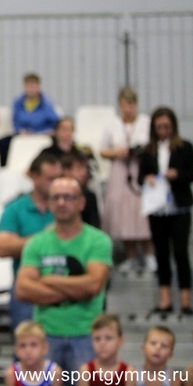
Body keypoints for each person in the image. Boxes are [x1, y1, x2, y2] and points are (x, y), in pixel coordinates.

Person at [15, 177, 112, 376]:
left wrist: (49, 280)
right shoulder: (36, 243)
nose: (61, 203)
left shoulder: (98, 241)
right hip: (45, 335)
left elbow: (93, 286)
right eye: (56, 197)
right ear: (49, 203)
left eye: (68, 197)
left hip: (86, 333)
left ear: (81, 203)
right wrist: (77, 289)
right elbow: (23, 289)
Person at [0, 153, 63, 332]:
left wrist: (25, 243)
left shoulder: (65, 207)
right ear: (34, 176)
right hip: (27, 283)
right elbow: (3, 247)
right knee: (25, 339)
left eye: (58, 178)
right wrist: (45, 238)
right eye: (50, 179)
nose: (55, 184)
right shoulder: (15, 208)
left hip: (61, 280)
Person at [138, 106, 193, 316]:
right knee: (161, 253)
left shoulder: (185, 147)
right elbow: (140, 176)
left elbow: (191, 172)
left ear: (173, 126)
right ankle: (164, 300)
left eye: (166, 127)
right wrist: (147, 178)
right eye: (159, 127)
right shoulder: (148, 150)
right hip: (157, 207)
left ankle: (185, 300)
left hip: (179, 206)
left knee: (180, 252)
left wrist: (177, 174)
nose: (163, 131)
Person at [99, 87, 153, 274]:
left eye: (131, 105)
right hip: (120, 170)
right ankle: (130, 255)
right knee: (122, 213)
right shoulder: (112, 124)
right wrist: (117, 152)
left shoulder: (146, 122)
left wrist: (141, 151)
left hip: (140, 169)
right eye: (124, 105)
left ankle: (149, 254)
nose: (127, 109)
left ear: (136, 105)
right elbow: (103, 151)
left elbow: (153, 145)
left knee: (141, 212)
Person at [0, 73, 59, 166]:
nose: (31, 89)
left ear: (38, 86)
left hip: (42, 134)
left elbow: (53, 121)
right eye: (29, 86)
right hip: (24, 134)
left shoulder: (46, 102)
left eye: (33, 85)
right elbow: (15, 121)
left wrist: (44, 132)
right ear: (24, 86)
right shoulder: (18, 102)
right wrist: (21, 131)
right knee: (3, 143)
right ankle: (5, 166)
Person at [77, 314, 135, 386]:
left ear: (120, 341)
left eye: (108, 338)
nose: (102, 343)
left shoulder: (128, 372)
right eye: (97, 339)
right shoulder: (85, 371)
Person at [4, 320, 62, 386]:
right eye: (23, 346)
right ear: (16, 350)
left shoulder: (54, 372)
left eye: (33, 345)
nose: (28, 351)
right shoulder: (11, 374)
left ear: (45, 348)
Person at [60, 153, 101, 229]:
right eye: (79, 168)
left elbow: (94, 226)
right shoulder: (56, 195)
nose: (84, 173)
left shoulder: (89, 197)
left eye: (85, 168)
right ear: (66, 171)